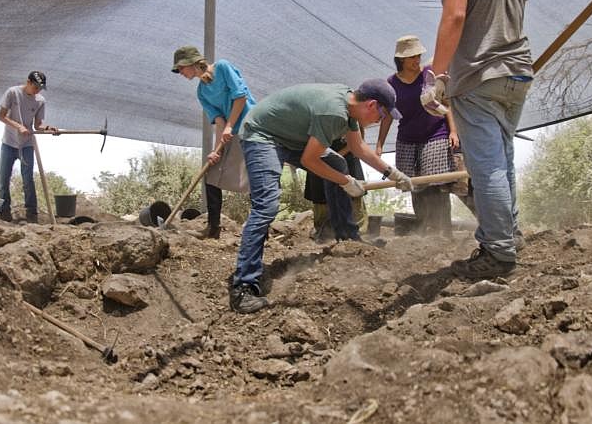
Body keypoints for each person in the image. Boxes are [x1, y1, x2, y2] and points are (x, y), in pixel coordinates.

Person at [419, 0, 534, 277]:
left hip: (479, 77)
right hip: (516, 74)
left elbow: (455, 16)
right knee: (502, 160)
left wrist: (436, 75)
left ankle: (498, 252)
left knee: (486, 169)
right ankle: (509, 234)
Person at [230, 79, 414, 313]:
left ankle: (347, 238)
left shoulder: (349, 108)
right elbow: (309, 160)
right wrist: (346, 181)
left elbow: (358, 149)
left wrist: (392, 173)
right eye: (383, 115)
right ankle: (243, 287)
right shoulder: (333, 112)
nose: (380, 121)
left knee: (337, 162)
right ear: (372, 105)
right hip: (262, 134)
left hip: (287, 136)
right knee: (267, 204)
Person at [376, 35, 460, 236]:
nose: (416, 60)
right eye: (412, 57)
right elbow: (387, 116)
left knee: (436, 183)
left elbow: (447, 105)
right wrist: (379, 145)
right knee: (413, 184)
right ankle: (425, 229)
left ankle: (443, 231)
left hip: (435, 133)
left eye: (418, 56)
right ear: (401, 60)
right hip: (407, 138)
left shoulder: (429, 75)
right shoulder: (391, 83)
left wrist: (454, 131)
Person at [172, 46, 254, 239]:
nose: (180, 73)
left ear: (190, 63)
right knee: (211, 173)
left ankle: (259, 228)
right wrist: (215, 150)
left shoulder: (223, 68)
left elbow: (240, 98)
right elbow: (219, 121)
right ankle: (213, 228)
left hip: (251, 128)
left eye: (180, 69)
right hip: (231, 131)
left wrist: (230, 126)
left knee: (254, 177)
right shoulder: (201, 92)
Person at [0, 71, 57, 223]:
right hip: (9, 142)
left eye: (40, 88)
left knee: (28, 178)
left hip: (27, 144)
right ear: (28, 82)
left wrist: (48, 128)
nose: (37, 90)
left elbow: (38, 124)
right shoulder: (13, 93)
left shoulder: (40, 101)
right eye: (35, 87)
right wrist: (19, 126)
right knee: (4, 178)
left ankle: (31, 213)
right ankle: (5, 212)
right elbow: (1, 116)